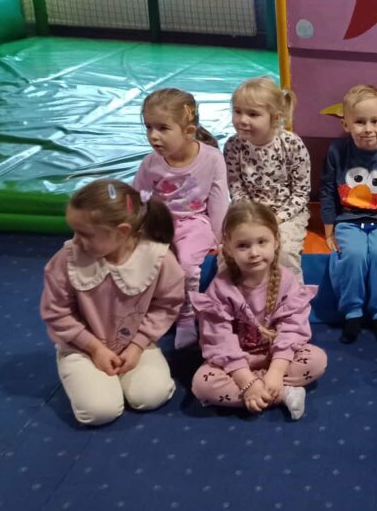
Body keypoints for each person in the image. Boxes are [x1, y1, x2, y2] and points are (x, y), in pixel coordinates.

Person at [41, 179, 184, 426]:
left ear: (122, 231)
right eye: (74, 231)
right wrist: (95, 349)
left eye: (85, 234)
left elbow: (166, 305)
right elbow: (56, 313)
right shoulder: (67, 260)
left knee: (152, 395)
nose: (76, 241)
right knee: (99, 411)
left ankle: (114, 376)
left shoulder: (158, 257)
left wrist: (138, 345)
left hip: (135, 344)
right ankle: (85, 374)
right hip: (82, 348)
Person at [191, 201, 327, 420]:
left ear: (276, 241)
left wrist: (276, 371)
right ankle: (282, 393)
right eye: (243, 246)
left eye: (262, 242)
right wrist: (247, 381)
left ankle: (260, 393)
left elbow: (292, 329)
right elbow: (219, 340)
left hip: (275, 355)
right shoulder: (220, 288)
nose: (254, 253)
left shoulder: (286, 280)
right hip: (237, 361)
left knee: (317, 360)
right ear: (229, 248)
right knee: (202, 384)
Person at [134, 88, 228, 349]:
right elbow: (138, 199)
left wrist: (222, 240)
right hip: (160, 223)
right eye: (149, 127)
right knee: (141, 260)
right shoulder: (150, 163)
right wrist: (133, 233)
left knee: (186, 266)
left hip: (194, 223)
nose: (153, 136)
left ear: (188, 131)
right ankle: (145, 313)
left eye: (163, 128)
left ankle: (186, 318)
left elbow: (219, 200)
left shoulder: (211, 158)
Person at [319, 84, 377, 344]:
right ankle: (353, 313)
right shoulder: (337, 151)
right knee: (353, 256)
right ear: (346, 124)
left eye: (375, 121)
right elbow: (327, 191)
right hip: (349, 220)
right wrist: (329, 230)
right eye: (360, 122)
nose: (368, 128)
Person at [223, 76, 312, 279]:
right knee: (229, 253)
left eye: (253, 114)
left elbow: (301, 192)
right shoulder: (233, 145)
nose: (242, 120)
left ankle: (292, 297)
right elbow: (236, 186)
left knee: (284, 253)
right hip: (248, 212)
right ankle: (235, 295)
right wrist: (251, 216)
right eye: (237, 111)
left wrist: (277, 218)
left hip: (286, 214)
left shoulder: (291, 144)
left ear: (275, 117)